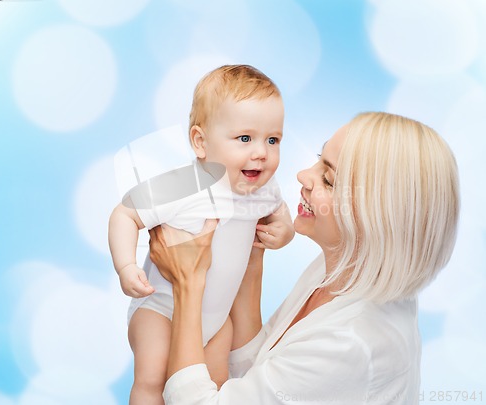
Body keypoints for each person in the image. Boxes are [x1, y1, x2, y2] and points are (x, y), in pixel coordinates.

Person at [148, 112, 460, 404]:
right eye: (318, 161)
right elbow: (260, 370)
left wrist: (187, 283)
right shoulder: (344, 269)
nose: (303, 176)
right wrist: (252, 258)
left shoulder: (352, 343)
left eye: (329, 180)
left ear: (378, 218)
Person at [108, 65, 295, 404]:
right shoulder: (183, 185)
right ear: (200, 142)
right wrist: (125, 267)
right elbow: (125, 213)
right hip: (162, 309)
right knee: (153, 379)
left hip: (217, 319)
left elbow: (280, 216)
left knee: (215, 386)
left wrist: (284, 233)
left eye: (273, 139)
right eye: (245, 138)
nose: (261, 152)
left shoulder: (264, 190)